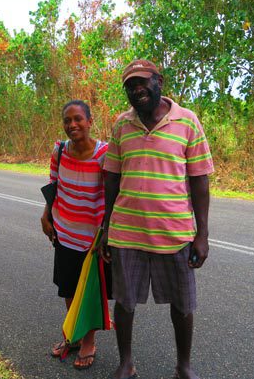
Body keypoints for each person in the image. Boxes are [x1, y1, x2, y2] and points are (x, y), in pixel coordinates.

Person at [96, 59, 214, 379]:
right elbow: (111, 179)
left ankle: (184, 367)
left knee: (183, 305)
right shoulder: (122, 125)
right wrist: (106, 228)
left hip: (173, 233)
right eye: (130, 86)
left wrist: (202, 235)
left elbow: (200, 179)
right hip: (126, 233)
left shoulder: (187, 122)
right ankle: (126, 363)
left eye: (142, 82)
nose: (137, 90)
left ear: (158, 81)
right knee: (124, 302)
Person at [40, 100, 109, 370]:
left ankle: (89, 341)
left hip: (93, 239)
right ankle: (74, 336)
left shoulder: (105, 153)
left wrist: (108, 232)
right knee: (68, 289)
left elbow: (113, 195)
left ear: (90, 121)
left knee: (88, 292)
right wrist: (46, 215)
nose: (72, 125)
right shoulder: (59, 151)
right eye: (67, 120)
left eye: (78, 119)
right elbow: (53, 184)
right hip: (65, 233)